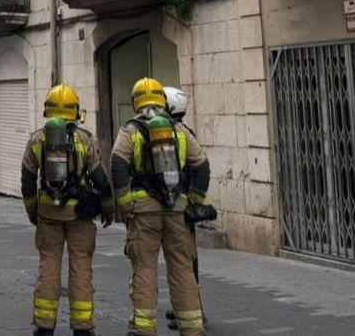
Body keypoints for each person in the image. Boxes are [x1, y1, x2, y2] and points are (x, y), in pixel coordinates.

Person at [111, 78, 214, 336]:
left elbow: (118, 166)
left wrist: (124, 203)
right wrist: (194, 201)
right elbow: (202, 166)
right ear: (162, 101)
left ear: (136, 101)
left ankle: (143, 329)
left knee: (144, 268)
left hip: (143, 213)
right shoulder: (179, 131)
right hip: (178, 211)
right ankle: (192, 327)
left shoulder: (130, 131)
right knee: (182, 269)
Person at [21, 84, 113, 336]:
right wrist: (108, 209)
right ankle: (82, 328)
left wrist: (32, 211)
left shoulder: (37, 139)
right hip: (79, 215)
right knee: (81, 267)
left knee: (48, 267)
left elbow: (28, 181)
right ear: (75, 110)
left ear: (47, 110)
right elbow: (100, 179)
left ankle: (44, 326)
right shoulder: (85, 138)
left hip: (48, 214)